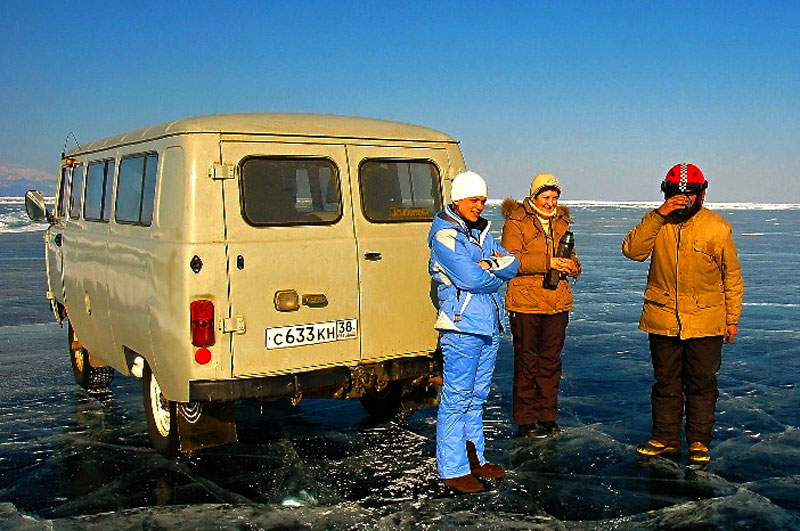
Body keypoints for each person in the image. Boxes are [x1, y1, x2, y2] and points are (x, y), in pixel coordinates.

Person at [622, 163, 744, 465]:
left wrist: (732, 319)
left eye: (690, 193)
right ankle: (665, 438)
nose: (683, 198)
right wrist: (659, 214)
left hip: (706, 321)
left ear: (702, 195)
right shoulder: (657, 223)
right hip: (663, 319)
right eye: (676, 192)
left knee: (701, 384)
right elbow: (632, 250)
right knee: (666, 383)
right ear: (666, 193)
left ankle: (700, 441)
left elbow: (733, 277)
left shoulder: (717, 227)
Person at [428, 170, 518, 493]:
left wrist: (490, 267)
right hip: (462, 327)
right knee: (456, 397)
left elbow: (514, 263)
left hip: (489, 325)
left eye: (482, 200)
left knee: (477, 396)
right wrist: (494, 270)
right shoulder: (445, 236)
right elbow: (471, 279)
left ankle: (473, 458)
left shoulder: (481, 233)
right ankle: (452, 468)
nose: (479, 205)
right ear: (458, 198)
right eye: (473, 199)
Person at [500, 173, 581, 437]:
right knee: (527, 361)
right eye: (546, 198)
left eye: (555, 198)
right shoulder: (516, 222)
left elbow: (573, 257)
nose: (550, 203)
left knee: (550, 362)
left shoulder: (562, 222)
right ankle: (525, 420)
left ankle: (548, 416)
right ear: (534, 197)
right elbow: (512, 260)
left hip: (556, 303)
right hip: (525, 304)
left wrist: (573, 267)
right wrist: (549, 262)